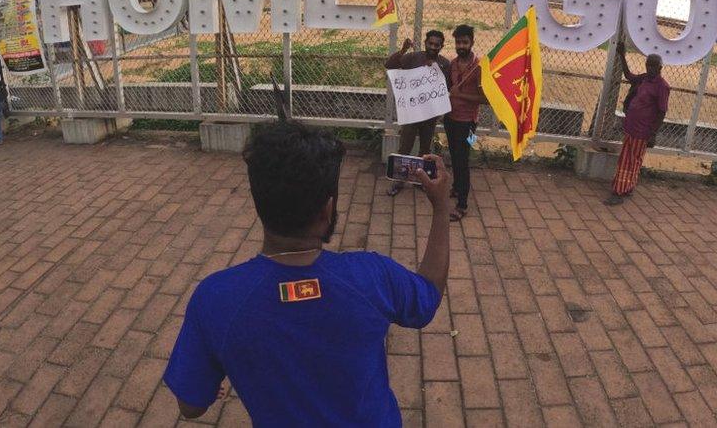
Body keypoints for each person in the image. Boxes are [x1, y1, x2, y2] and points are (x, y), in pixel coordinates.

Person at [163, 121, 453, 426]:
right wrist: (441, 207)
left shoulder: (215, 299)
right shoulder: (371, 277)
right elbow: (427, 297)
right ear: (327, 210)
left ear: (259, 202)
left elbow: (191, 406)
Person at [385, 30, 450, 196]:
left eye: (437, 45)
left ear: (442, 46)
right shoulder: (413, 58)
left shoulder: (444, 64)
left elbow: (446, 87)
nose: (433, 47)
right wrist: (403, 50)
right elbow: (390, 65)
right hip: (412, 113)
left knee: (425, 150)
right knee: (405, 146)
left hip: (430, 115)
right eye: (431, 43)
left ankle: (421, 180)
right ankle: (398, 180)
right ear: (425, 43)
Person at [604, 42, 670, 206]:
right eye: (648, 65)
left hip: (642, 130)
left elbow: (662, 111)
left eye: (654, 66)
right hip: (632, 126)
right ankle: (627, 186)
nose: (651, 69)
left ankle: (618, 191)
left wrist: (653, 134)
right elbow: (629, 76)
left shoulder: (662, 87)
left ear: (660, 68)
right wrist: (622, 55)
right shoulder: (644, 79)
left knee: (629, 159)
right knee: (632, 158)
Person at [444, 24, 487, 222]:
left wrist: (460, 94)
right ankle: (456, 187)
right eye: (458, 42)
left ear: (472, 43)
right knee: (454, 155)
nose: (461, 46)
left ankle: (462, 204)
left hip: (468, 123)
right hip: (451, 119)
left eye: (465, 42)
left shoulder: (478, 68)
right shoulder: (452, 64)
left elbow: (484, 99)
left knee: (463, 161)